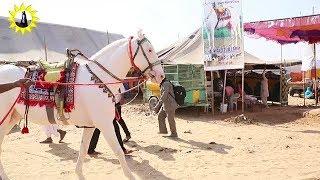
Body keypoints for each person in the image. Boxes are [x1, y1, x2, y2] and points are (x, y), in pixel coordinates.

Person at [88, 85, 132, 155]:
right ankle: (122, 149)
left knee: (98, 128)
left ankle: (90, 149)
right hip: (107, 106)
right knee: (114, 127)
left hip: (112, 105)